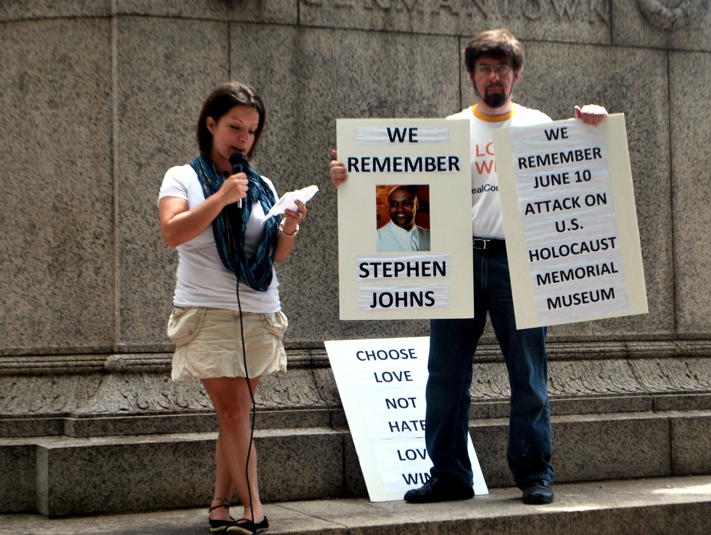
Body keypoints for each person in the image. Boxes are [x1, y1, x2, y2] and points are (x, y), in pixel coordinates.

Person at [330, 29, 607, 505]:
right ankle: (451, 475)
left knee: (529, 374)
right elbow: (398, 181)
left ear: (516, 74)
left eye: (501, 67)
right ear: (472, 76)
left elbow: (583, 171)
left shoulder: (540, 125)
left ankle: (535, 474)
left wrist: (594, 125)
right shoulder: (450, 129)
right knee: (444, 375)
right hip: (454, 260)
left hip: (517, 260)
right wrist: (351, 177)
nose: (493, 76)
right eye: (484, 68)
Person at [158, 81, 308, 534]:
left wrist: (290, 226)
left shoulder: (262, 185)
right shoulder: (181, 177)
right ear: (211, 125)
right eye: (234, 127)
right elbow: (173, 232)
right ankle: (255, 510)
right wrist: (221, 197)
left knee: (234, 415)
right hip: (207, 310)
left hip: (260, 310)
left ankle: (220, 504)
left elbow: (276, 256)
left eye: (251, 131)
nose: (243, 139)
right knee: (235, 412)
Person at [377, 185, 431, 251]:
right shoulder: (376, 239)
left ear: (416, 205)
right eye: (394, 204)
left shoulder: (430, 236)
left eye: (406, 203)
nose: (400, 209)